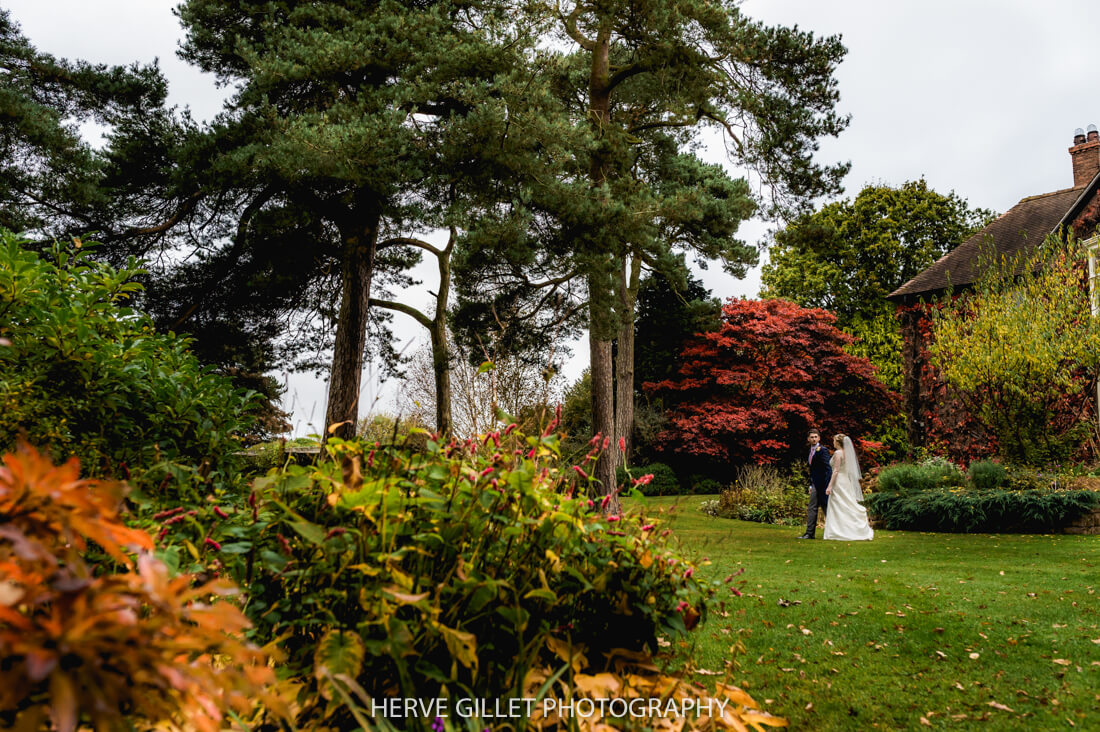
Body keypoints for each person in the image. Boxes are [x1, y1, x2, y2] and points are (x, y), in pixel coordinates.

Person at [823, 434, 874, 541]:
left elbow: (836, 471)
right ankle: (847, 529)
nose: (833, 442)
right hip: (846, 482)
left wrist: (829, 485)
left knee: (839, 505)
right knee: (846, 504)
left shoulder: (838, 453)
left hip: (839, 482)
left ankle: (838, 531)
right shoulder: (848, 454)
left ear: (837, 442)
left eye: (834, 441)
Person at [798, 429, 831, 539]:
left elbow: (828, 469)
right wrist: (811, 485)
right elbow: (812, 470)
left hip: (824, 484)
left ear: (819, 438)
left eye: (815, 437)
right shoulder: (810, 451)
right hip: (815, 484)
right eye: (811, 437)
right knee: (812, 508)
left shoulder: (823, 450)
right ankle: (809, 533)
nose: (814, 439)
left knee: (827, 508)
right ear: (808, 439)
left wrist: (828, 485)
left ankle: (833, 532)